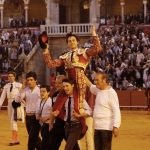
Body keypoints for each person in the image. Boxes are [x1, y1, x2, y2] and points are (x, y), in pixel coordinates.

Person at [39, 25, 102, 115]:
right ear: (67, 44)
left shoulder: (84, 52)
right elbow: (50, 64)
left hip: (80, 83)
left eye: (73, 40)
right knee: (59, 105)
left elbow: (97, 49)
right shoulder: (64, 56)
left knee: (79, 106)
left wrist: (94, 34)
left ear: (77, 42)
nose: (71, 42)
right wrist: (46, 50)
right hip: (69, 84)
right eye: (69, 41)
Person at [52, 78, 92, 150]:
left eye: (67, 86)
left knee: (68, 148)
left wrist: (80, 115)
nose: (65, 88)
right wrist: (57, 113)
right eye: (64, 86)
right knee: (74, 148)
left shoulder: (79, 99)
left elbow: (90, 111)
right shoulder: (64, 98)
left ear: (72, 85)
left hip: (76, 126)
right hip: (67, 127)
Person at [85, 72, 121, 150]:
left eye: (97, 80)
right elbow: (90, 85)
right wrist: (80, 73)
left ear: (104, 80)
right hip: (97, 127)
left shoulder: (111, 93)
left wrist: (116, 126)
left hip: (106, 128)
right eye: (95, 80)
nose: (95, 82)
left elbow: (116, 110)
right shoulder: (99, 90)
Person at [16, 71, 42, 150]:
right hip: (28, 117)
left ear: (35, 80)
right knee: (35, 139)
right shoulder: (25, 90)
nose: (29, 82)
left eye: (31, 80)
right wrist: (22, 88)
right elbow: (17, 100)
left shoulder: (40, 91)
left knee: (31, 140)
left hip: (36, 118)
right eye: (28, 80)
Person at [0, 71, 24, 146]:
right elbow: (3, 96)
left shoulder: (19, 85)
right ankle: (16, 139)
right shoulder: (6, 86)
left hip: (16, 104)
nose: (10, 77)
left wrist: (19, 101)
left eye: (11, 76)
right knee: (12, 121)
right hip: (9, 104)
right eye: (9, 76)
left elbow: (23, 94)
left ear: (14, 77)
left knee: (13, 121)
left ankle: (14, 139)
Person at [48, 75, 66, 150]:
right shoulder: (54, 94)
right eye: (56, 83)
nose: (57, 85)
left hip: (68, 124)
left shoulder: (68, 93)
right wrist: (51, 124)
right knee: (52, 146)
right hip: (58, 123)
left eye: (59, 83)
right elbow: (53, 109)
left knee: (73, 147)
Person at [36, 85, 52, 150]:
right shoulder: (39, 101)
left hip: (49, 125)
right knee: (45, 143)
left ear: (48, 92)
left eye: (44, 91)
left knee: (44, 144)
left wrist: (47, 117)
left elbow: (55, 113)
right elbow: (37, 114)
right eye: (41, 91)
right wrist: (40, 118)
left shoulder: (51, 102)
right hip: (42, 125)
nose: (42, 93)